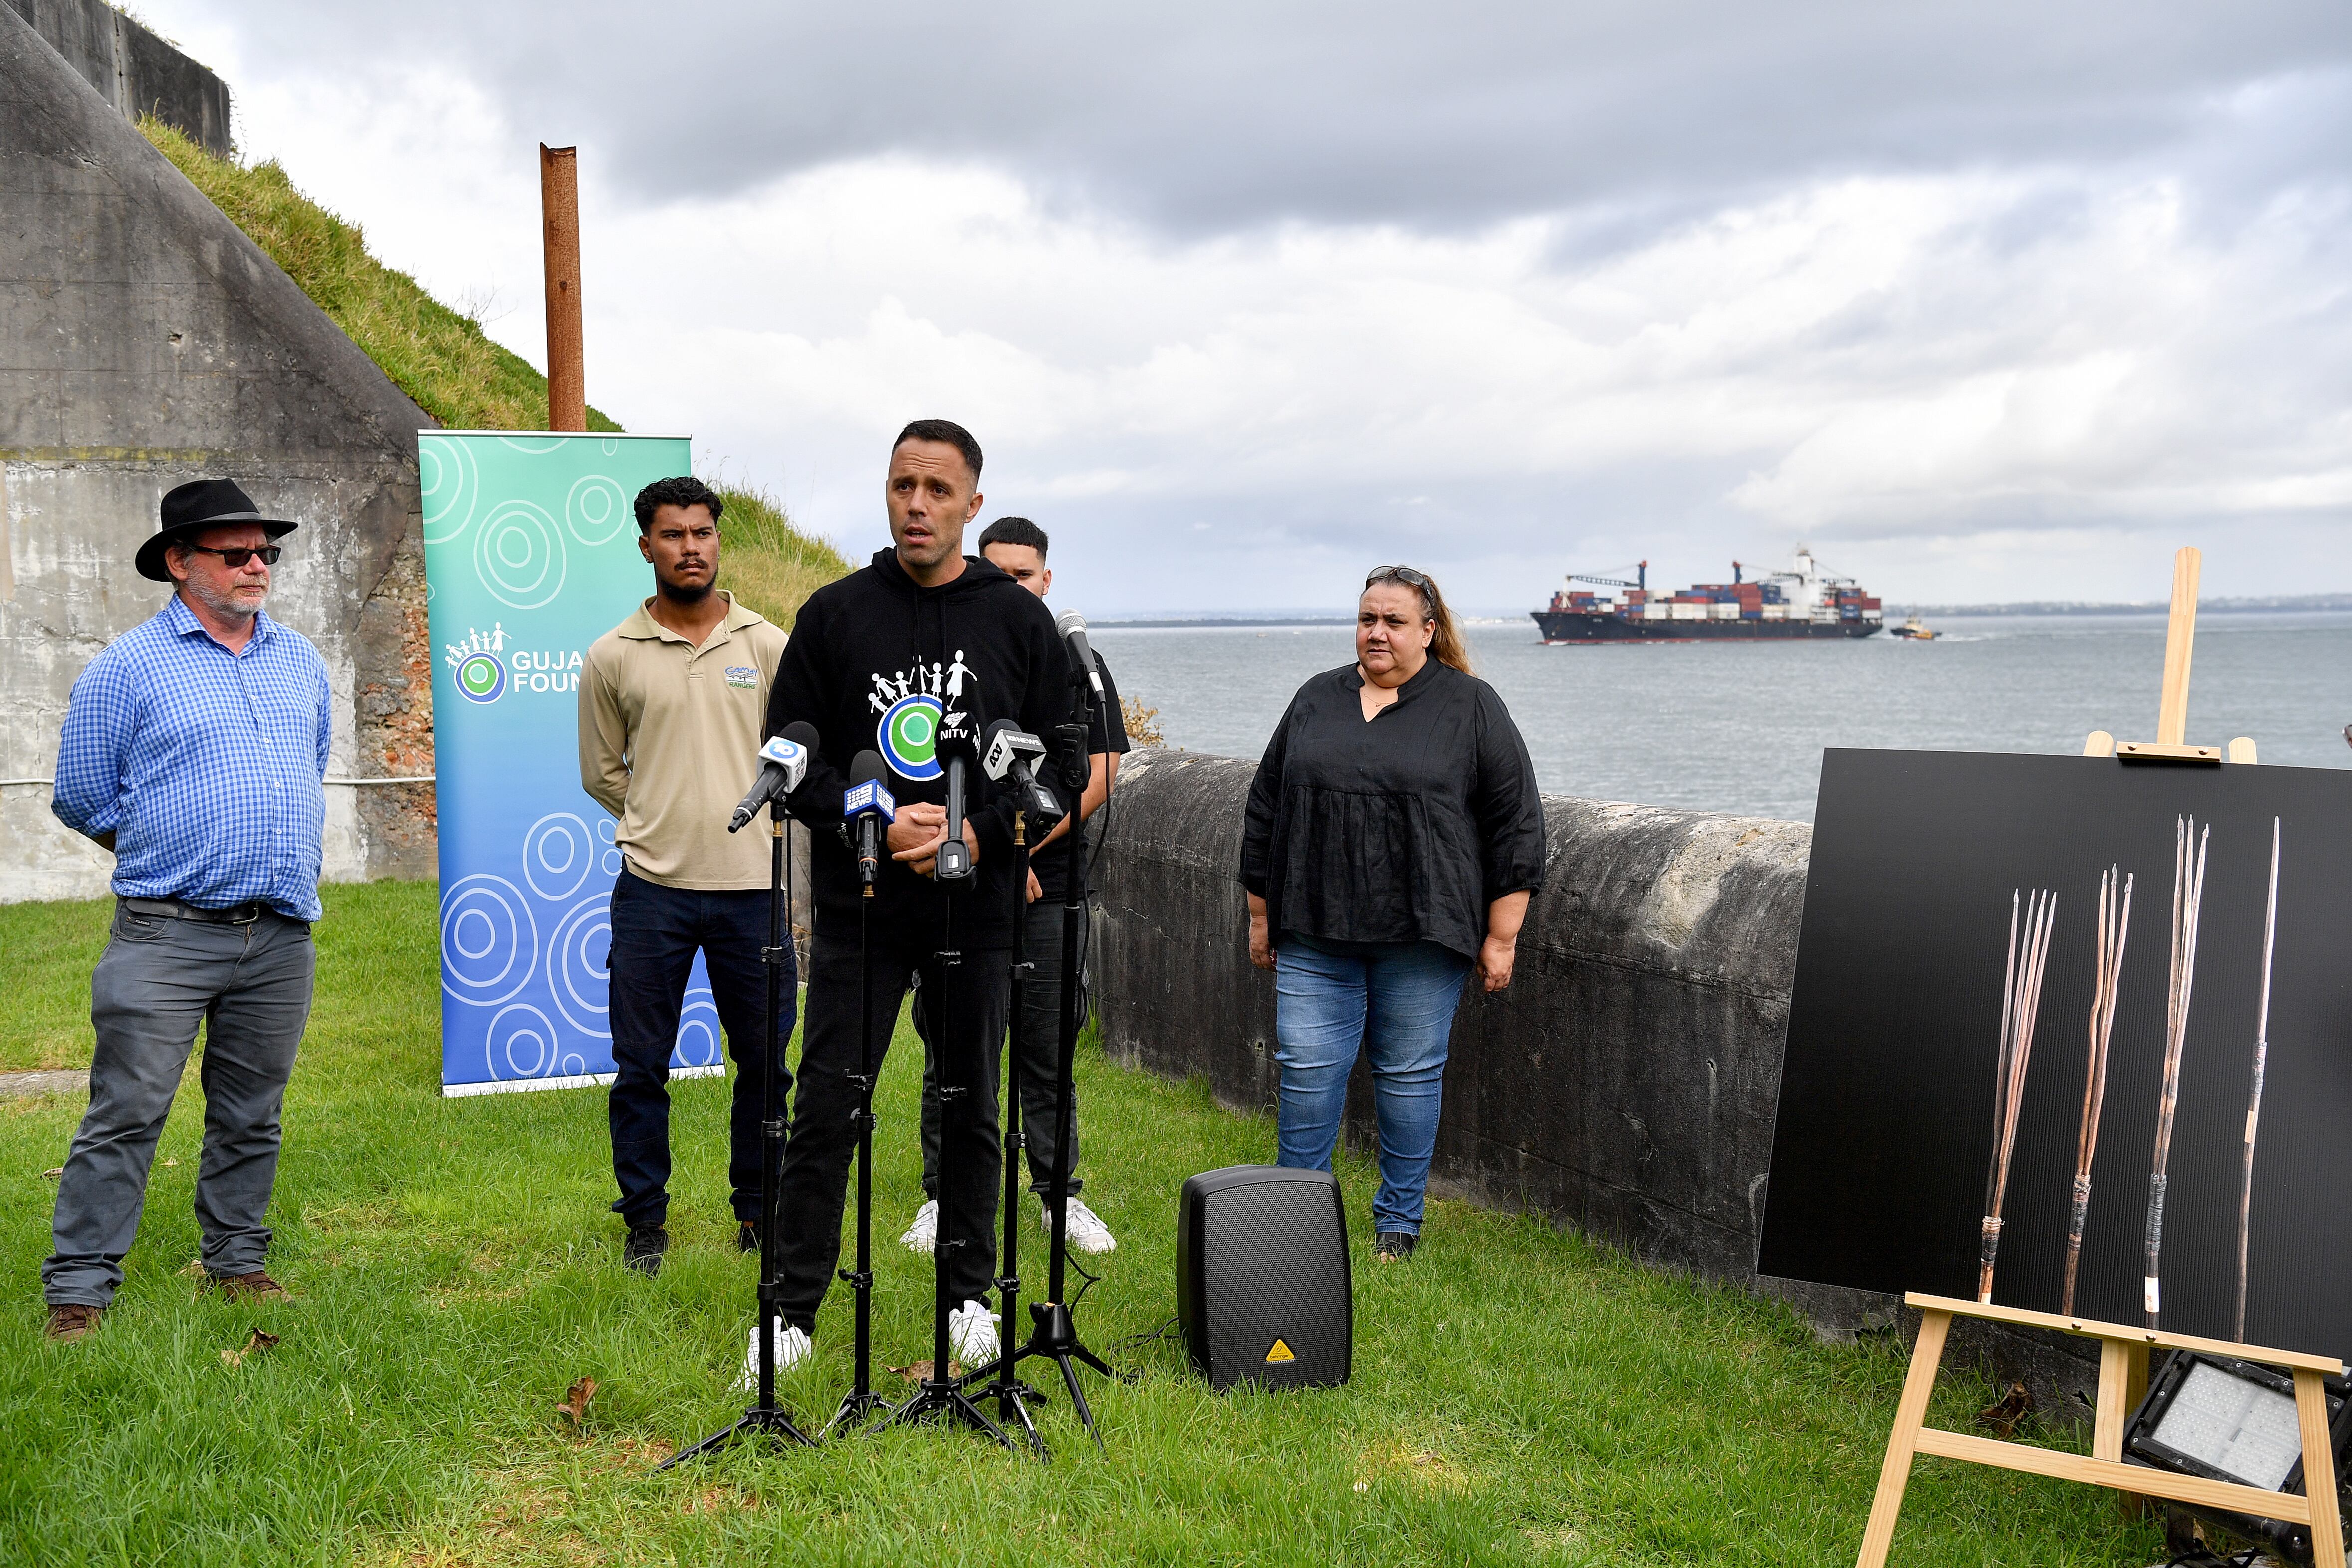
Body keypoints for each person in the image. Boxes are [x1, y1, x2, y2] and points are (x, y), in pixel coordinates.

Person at [760, 420, 1075, 1371]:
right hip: (862, 908)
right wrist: (870, 823)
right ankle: (790, 1314)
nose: (917, 505)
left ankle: (966, 1298)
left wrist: (979, 832)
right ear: (885, 493)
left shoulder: (1017, 621)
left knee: (973, 1103)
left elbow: (1059, 762)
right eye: (903, 486)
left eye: (939, 490)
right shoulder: (834, 614)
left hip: (977, 911)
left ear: (972, 506)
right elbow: (791, 756)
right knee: (826, 1103)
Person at [42, 479, 332, 1341]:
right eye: (234, 553)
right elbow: (82, 797)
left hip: (279, 933)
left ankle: (237, 1262)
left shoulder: (300, 662)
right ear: (178, 562)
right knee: (127, 1112)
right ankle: (80, 1290)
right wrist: (171, 850)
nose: (256, 566)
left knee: (253, 1112)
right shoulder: (128, 668)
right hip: (165, 932)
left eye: (265, 553)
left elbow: (306, 769)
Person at [1239, 565, 1545, 1262]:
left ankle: (1398, 1223)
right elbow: (1265, 807)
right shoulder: (1316, 698)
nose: (1375, 632)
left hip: (1422, 932)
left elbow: (1514, 821)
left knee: (1407, 1077)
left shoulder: (1469, 705)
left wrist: (1503, 934)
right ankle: (1297, 1217)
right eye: (1366, 618)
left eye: (1394, 621)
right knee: (1307, 1072)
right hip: (1314, 928)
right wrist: (1261, 915)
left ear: (1428, 632)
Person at [578, 477, 792, 1275]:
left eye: (703, 533)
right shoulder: (611, 655)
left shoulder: (767, 644)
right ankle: (644, 1223)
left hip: (752, 892)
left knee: (766, 1066)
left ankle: (759, 1213)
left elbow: (796, 757)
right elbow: (602, 772)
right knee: (641, 1067)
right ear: (646, 546)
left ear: (717, 541)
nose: (691, 548)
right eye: (673, 535)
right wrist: (664, 816)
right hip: (652, 893)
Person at [900, 515, 1126, 1258]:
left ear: (1046, 581)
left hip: (1049, 891)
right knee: (953, 1050)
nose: (1010, 585)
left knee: (1046, 1047)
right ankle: (943, 1197)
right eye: (994, 571)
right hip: (960, 889)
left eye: (1023, 574)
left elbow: (1094, 778)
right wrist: (993, 854)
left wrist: (1019, 843)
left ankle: (1058, 1196)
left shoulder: (1075, 665)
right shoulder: (956, 661)